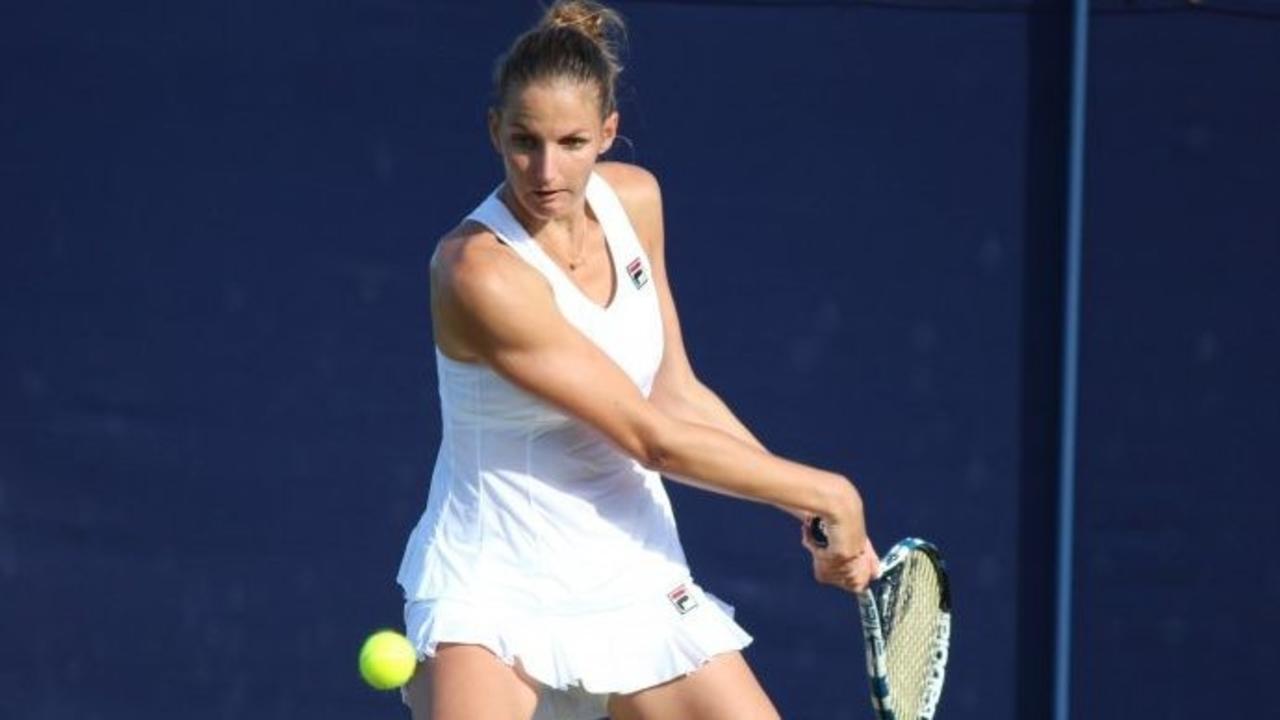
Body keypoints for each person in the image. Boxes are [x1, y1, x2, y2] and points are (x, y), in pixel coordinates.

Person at [395, 2, 878, 718]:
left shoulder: (637, 201)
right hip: (493, 585)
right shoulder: (477, 271)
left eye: (572, 142)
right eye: (524, 141)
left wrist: (800, 506)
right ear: (494, 130)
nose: (547, 171)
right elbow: (649, 438)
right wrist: (830, 492)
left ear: (608, 132)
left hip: (631, 569)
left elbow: (673, 392)